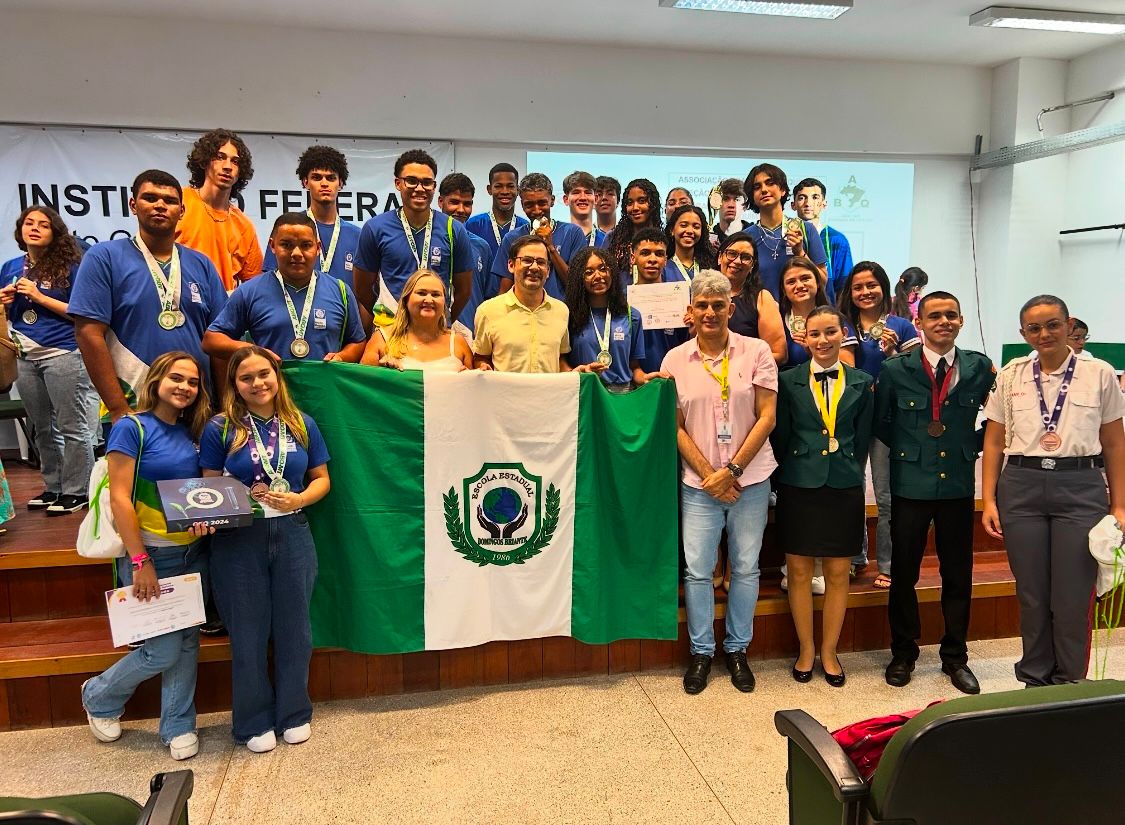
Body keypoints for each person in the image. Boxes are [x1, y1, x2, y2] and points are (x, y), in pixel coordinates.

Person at [982, 295, 1125, 687]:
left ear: (1069, 326)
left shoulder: (1099, 374)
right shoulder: (1011, 375)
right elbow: (994, 441)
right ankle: (1034, 679)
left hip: (1080, 487)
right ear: (1023, 333)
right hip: (1023, 488)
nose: (1044, 334)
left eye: (1052, 325)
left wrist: (1120, 505)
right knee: (1031, 594)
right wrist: (990, 499)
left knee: (1072, 597)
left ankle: (1069, 682)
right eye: (1034, 328)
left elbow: (1114, 443)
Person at [80, 351, 215, 760]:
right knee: (162, 650)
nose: (185, 387)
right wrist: (140, 561)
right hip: (151, 557)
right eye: (177, 378)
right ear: (155, 380)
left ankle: (177, 725)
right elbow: (120, 498)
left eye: (192, 382)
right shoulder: (132, 428)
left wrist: (204, 519)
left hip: (193, 553)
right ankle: (99, 695)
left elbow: (197, 493)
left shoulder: (194, 431)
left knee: (187, 642)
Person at [200, 345, 332, 752]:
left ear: (277, 377)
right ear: (235, 386)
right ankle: (253, 721)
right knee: (248, 632)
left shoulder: (301, 423)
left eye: (264, 375)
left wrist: (300, 499)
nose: (257, 383)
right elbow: (207, 488)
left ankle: (294, 713)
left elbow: (322, 479)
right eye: (246, 378)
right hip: (240, 540)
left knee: (296, 629)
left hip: (292, 532)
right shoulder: (220, 428)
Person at [662, 270, 778, 695]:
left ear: (731, 307)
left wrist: (731, 472)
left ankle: (737, 650)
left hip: (751, 480)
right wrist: (710, 476)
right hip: (698, 485)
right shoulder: (675, 360)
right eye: (702, 305)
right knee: (696, 572)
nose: (710, 312)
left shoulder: (757, 351)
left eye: (718, 304)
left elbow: (768, 416)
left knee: (746, 568)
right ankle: (701, 653)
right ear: (689, 311)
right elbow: (673, 427)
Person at [876, 290, 995, 695]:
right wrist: (916, 448)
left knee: (957, 574)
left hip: (957, 485)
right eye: (934, 316)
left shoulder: (979, 368)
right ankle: (903, 652)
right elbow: (882, 423)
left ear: (960, 321)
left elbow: (997, 419)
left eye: (951, 315)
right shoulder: (896, 370)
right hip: (910, 483)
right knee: (904, 573)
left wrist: (971, 444)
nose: (943, 322)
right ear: (920, 324)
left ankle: (955, 657)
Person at [71, 170, 228, 422]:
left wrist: (223, 407)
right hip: (133, 402)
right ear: (133, 204)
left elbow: (219, 339)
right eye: (150, 198)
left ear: (181, 210)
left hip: (197, 405)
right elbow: (88, 333)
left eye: (169, 200)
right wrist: (117, 407)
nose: (160, 205)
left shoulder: (202, 264)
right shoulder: (104, 257)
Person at [772, 305, 873, 687]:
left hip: (844, 484)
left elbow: (862, 439)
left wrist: (846, 466)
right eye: (815, 334)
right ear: (803, 337)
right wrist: (798, 466)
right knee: (798, 571)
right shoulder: (788, 380)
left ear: (842, 332)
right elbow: (781, 436)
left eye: (830, 332)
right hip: (799, 482)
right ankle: (806, 649)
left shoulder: (863, 382)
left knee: (836, 572)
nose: (823, 340)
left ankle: (829, 651)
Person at [1, 206, 94, 514]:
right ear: (20, 230)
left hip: (63, 352)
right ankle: (53, 487)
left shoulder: (71, 266)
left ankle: (77, 490)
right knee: (42, 426)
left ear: (55, 232)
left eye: (43, 224)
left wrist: (39, 296)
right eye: (29, 223)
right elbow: (13, 316)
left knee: (72, 424)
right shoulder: (11, 266)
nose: (35, 228)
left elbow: (81, 311)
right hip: (25, 355)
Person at [839, 261, 921, 585]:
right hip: (855, 419)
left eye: (871, 285)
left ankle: (886, 564)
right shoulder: (845, 327)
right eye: (858, 287)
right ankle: (855, 556)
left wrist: (893, 356)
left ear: (883, 288)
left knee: (886, 496)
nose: (865, 292)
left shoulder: (903, 327)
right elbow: (846, 375)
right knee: (852, 489)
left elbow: (914, 377)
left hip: (890, 421)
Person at [203, 213, 366, 363]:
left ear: (317, 248)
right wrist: (252, 351)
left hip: (324, 390)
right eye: (286, 245)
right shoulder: (250, 291)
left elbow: (357, 341)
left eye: (305, 245)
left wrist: (342, 357)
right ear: (273, 246)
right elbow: (211, 340)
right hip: (267, 390)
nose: (296, 253)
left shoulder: (340, 291)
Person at [352, 149, 475, 323]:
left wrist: (444, 321)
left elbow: (464, 290)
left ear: (433, 186)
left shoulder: (453, 229)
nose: (419, 188)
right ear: (398, 183)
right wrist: (389, 318)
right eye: (411, 181)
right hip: (391, 331)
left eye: (426, 182)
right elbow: (362, 288)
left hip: (436, 333)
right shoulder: (375, 228)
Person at [262, 144, 361, 290]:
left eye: (331, 178)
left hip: (343, 311)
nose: (324, 183)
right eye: (316, 177)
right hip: (295, 310)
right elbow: (269, 283)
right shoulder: (288, 228)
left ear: (340, 183)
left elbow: (364, 292)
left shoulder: (357, 235)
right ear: (305, 182)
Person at [177, 128, 262, 290]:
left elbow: (255, 286)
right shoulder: (178, 201)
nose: (228, 166)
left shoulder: (244, 226)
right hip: (178, 307)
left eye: (235, 161)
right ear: (204, 162)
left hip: (223, 311)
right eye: (220, 157)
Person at [564, 247, 657, 391]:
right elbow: (562, 362)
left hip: (622, 396)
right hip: (585, 393)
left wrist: (643, 378)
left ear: (612, 272)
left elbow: (634, 367)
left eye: (603, 269)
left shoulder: (632, 316)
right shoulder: (569, 316)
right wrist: (576, 373)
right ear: (579, 279)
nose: (598, 276)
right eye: (589, 272)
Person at [474, 236, 571, 373]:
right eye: (527, 260)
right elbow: (480, 357)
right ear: (511, 265)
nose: (534, 267)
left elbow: (560, 359)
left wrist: (576, 374)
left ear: (548, 271)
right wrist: (482, 366)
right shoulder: (488, 311)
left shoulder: (561, 311)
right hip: (506, 394)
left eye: (541, 262)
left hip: (548, 394)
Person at [492, 173, 586, 301]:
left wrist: (550, 247)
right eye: (529, 205)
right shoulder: (512, 238)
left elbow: (576, 284)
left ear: (552, 200)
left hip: (562, 315)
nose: (536, 210)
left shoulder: (572, 233)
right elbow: (504, 290)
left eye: (542, 203)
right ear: (522, 205)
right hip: (522, 315)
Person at [743, 164, 828, 300]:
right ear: (752, 196)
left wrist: (800, 253)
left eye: (770, 183)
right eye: (757, 187)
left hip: (799, 318)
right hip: (760, 317)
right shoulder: (746, 237)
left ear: (782, 190)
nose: (764, 190)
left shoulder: (806, 229)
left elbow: (822, 280)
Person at [361, 269, 474, 372]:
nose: (429, 299)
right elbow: (362, 386)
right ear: (406, 299)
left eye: (436, 295)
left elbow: (473, 390)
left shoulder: (458, 343)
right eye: (421, 293)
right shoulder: (382, 340)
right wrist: (382, 374)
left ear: (444, 303)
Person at [437, 173, 494, 337]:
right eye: (454, 202)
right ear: (441, 201)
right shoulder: (425, 240)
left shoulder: (482, 247)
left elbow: (488, 298)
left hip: (471, 333)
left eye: (467, 204)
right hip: (431, 332)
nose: (461, 210)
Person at [716, 232, 786, 365]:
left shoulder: (761, 298)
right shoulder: (703, 296)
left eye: (746, 257)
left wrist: (737, 365)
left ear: (752, 265)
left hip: (748, 378)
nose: (737, 261)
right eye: (731, 253)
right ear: (720, 257)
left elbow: (779, 353)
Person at [777, 257, 856, 371]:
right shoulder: (776, 321)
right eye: (791, 282)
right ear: (784, 289)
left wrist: (813, 352)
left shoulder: (837, 320)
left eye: (805, 278)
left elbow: (848, 370)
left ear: (818, 283)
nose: (799, 286)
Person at [631, 229, 690, 374]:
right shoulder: (623, 299)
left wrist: (693, 329)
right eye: (645, 253)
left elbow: (687, 343)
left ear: (665, 260)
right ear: (633, 258)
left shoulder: (680, 297)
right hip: (634, 380)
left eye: (659, 254)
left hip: (673, 377)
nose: (652, 259)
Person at [792, 178, 854, 306]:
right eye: (802, 198)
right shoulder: (785, 236)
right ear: (793, 205)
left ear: (824, 204)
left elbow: (844, 286)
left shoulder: (837, 240)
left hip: (826, 311)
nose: (808, 203)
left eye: (815, 197)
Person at [465, 163, 528, 258]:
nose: (505, 191)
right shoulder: (473, 225)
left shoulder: (525, 228)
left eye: (510, 186)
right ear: (489, 189)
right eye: (498, 186)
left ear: (518, 190)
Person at [604, 179, 662, 280]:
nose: (635, 207)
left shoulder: (663, 239)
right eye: (630, 203)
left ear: (654, 204)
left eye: (641, 201)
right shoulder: (612, 238)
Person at [664, 205, 716, 284]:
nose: (690, 231)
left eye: (696, 227)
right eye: (683, 225)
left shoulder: (711, 267)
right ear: (672, 230)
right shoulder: (663, 268)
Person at [562, 171, 607, 247]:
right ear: (566, 200)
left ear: (595, 199)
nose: (583, 197)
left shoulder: (606, 241)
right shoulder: (556, 237)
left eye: (588, 192)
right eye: (576, 192)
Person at [708, 178, 753, 251]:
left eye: (737, 199)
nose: (731, 205)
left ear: (745, 206)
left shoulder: (755, 236)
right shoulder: (709, 239)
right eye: (725, 199)